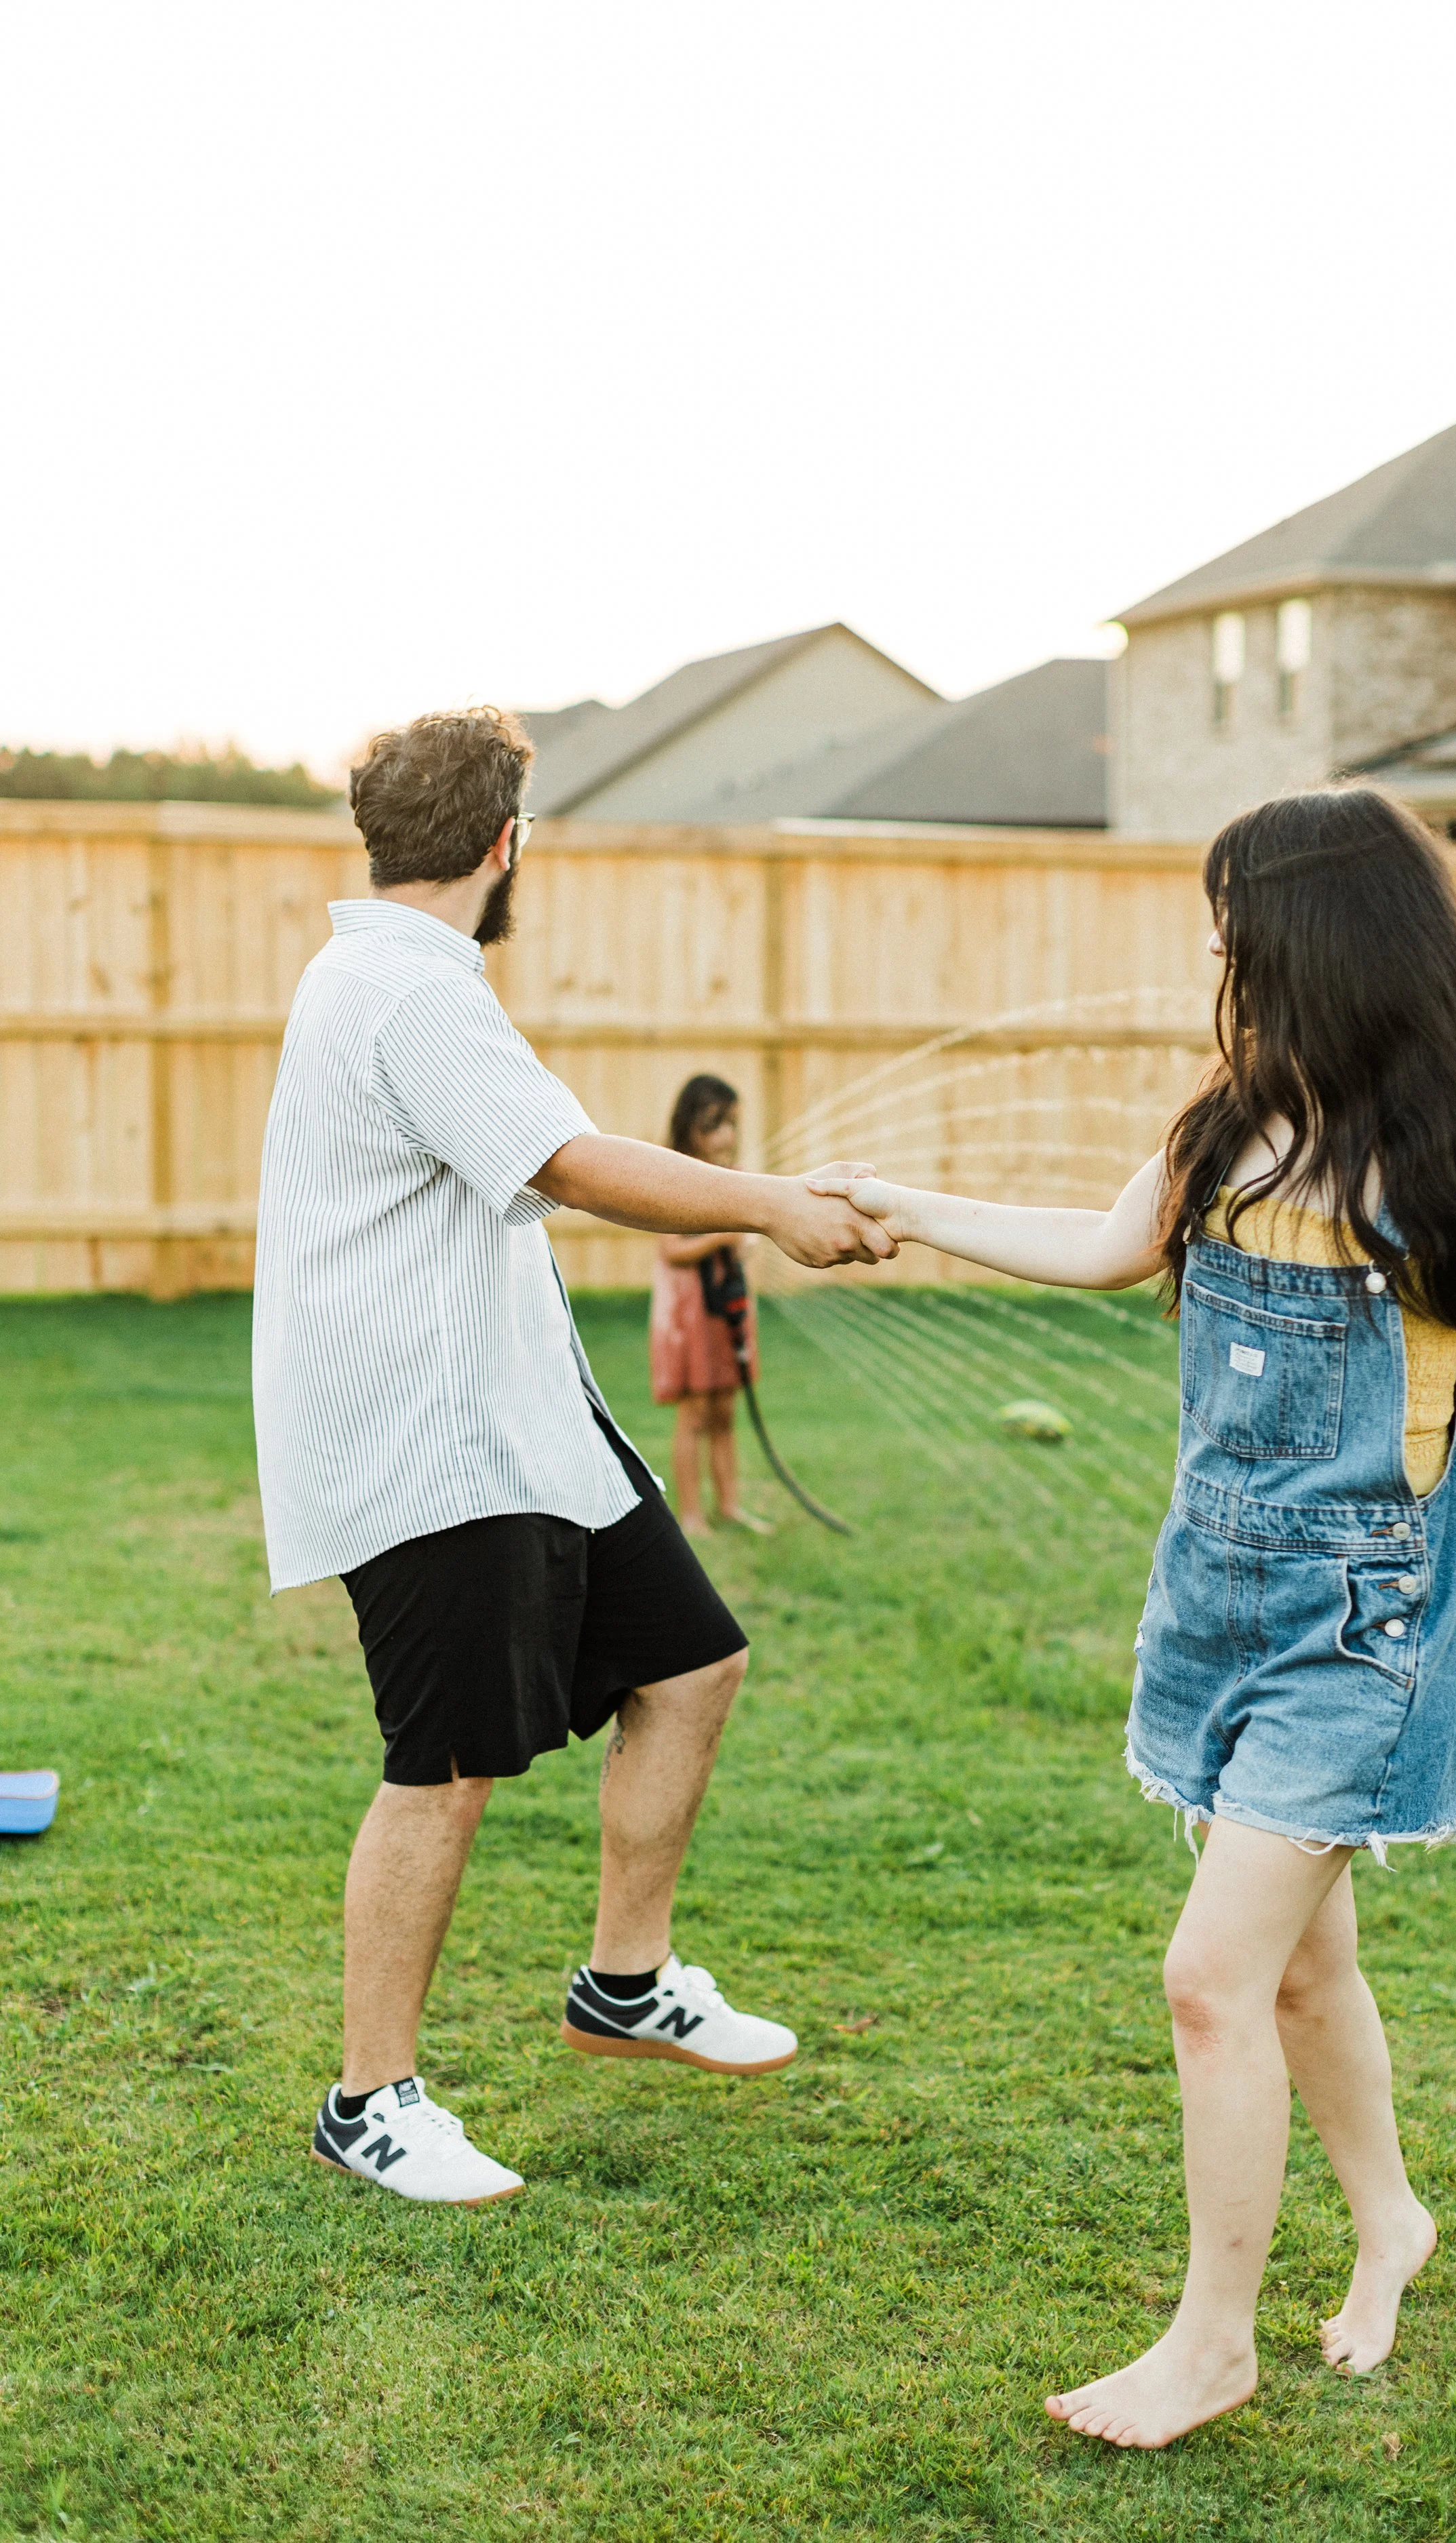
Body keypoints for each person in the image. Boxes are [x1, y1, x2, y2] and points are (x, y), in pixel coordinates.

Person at [811, 787, 1456, 2448]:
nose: (1217, 943)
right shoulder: (1229, 1127)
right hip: (1214, 1592)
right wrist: (913, 1208)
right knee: (1296, 1965)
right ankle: (1390, 2214)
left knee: (1212, 1972)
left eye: (1234, 913)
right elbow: (1101, 1243)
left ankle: (1214, 2338)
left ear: (1315, 934)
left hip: (1364, 1612)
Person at [252, 707, 892, 2209]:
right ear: (503, 843)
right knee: (447, 1767)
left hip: (529, 1429)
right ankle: (369, 2097)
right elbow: (571, 1163)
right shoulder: (405, 994)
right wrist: (771, 1204)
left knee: (692, 1666)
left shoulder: (405, 979)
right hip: (427, 1441)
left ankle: (625, 1981)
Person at [649, 1074, 771, 1536]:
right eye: (715, 1124)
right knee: (696, 1413)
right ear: (690, 1127)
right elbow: (671, 1251)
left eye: (733, 1125)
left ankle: (730, 1505)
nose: (727, 1137)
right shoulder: (673, 1177)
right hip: (692, 1311)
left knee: (725, 1411)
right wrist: (725, 1233)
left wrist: (744, 1245)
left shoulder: (735, 1180)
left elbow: (747, 1241)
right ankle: (693, 1516)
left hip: (729, 1308)